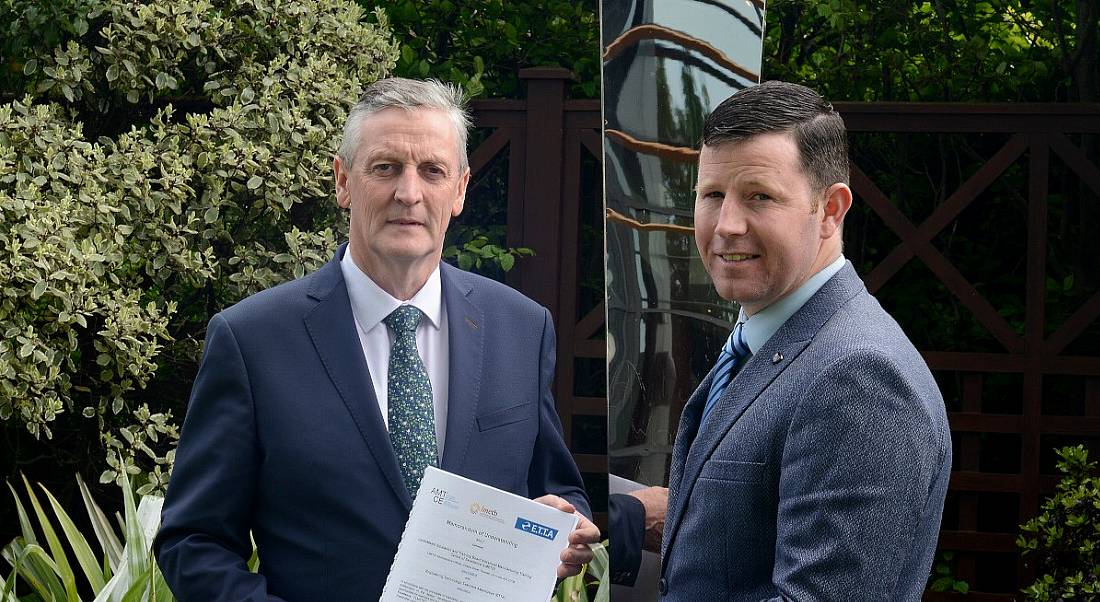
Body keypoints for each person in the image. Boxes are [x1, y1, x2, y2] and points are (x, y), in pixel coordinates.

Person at [154, 77, 598, 601]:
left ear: (459, 189)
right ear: (344, 181)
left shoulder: (520, 328)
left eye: (432, 171)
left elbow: (559, 487)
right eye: (385, 167)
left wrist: (568, 527)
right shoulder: (252, 341)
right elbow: (193, 540)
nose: (408, 193)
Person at [657, 81, 951, 600]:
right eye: (712, 195)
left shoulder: (860, 377)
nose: (726, 225)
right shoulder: (770, 335)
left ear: (831, 209)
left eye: (760, 197)